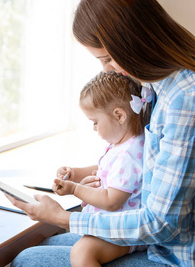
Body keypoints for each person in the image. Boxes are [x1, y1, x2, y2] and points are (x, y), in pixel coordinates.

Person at [6, 0, 195, 267]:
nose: (109, 71)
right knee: (45, 245)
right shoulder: (158, 88)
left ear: (134, 43)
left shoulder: (190, 101)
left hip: (181, 257)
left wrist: (64, 217)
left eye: (108, 59)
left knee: (28, 261)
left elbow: (161, 223)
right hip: (161, 244)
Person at [52, 71, 151, 266]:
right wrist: (75, 173)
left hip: (125, 232)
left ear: (119, 115)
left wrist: (75, 189)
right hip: (114, 226)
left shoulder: (128, 155)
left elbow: (112, 201)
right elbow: (104, 170)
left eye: (95, 122)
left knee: (81, 253)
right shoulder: (124, 145)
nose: (94, 128)